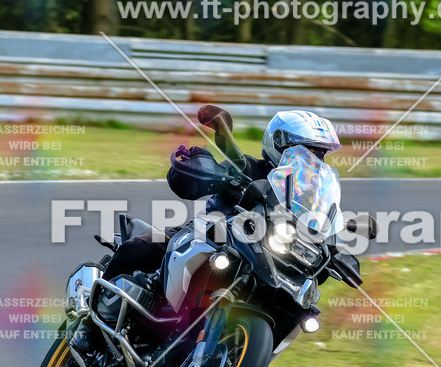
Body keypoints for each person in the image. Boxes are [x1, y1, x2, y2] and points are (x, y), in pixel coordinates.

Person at [101, 106, 341, 281]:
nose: (314, 160)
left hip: (265, 261)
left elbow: (319, 227)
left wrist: (337, 245)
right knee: (140, 248)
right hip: (203, 238)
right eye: (307, 151)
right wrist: (203, 168)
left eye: (320, 154)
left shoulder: (312, 196)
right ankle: (94, 312)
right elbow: (185, 184)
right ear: (280, 143)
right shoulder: (247, 167)